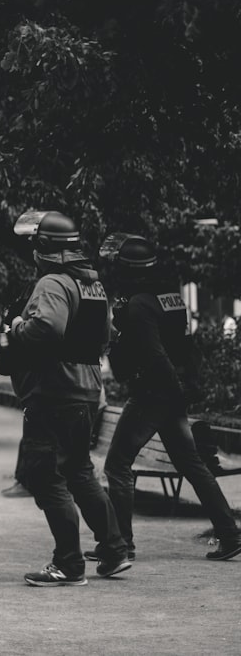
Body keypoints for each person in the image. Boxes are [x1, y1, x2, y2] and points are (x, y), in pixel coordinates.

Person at [3, 211, 130, 586]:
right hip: (87, 389)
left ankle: (69, 564)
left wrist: (15, 329)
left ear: (44, 249)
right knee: (78, 470)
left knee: (42, 474)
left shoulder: (53, 283)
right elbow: (107, 336)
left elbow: (46, 327)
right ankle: (114, 549)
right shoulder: (93, 284)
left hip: (55, 392)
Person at [96, 234, 241, 561]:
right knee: (192, 464)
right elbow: (182, 344)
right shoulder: (169, 296)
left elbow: (154, 354)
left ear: (128, 269)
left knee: (117, 464)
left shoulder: (138, 304)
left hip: (152, 393)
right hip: (171, 394)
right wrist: (181, 394)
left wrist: (166, 391)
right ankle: (230, 535)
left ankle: (120, 544)